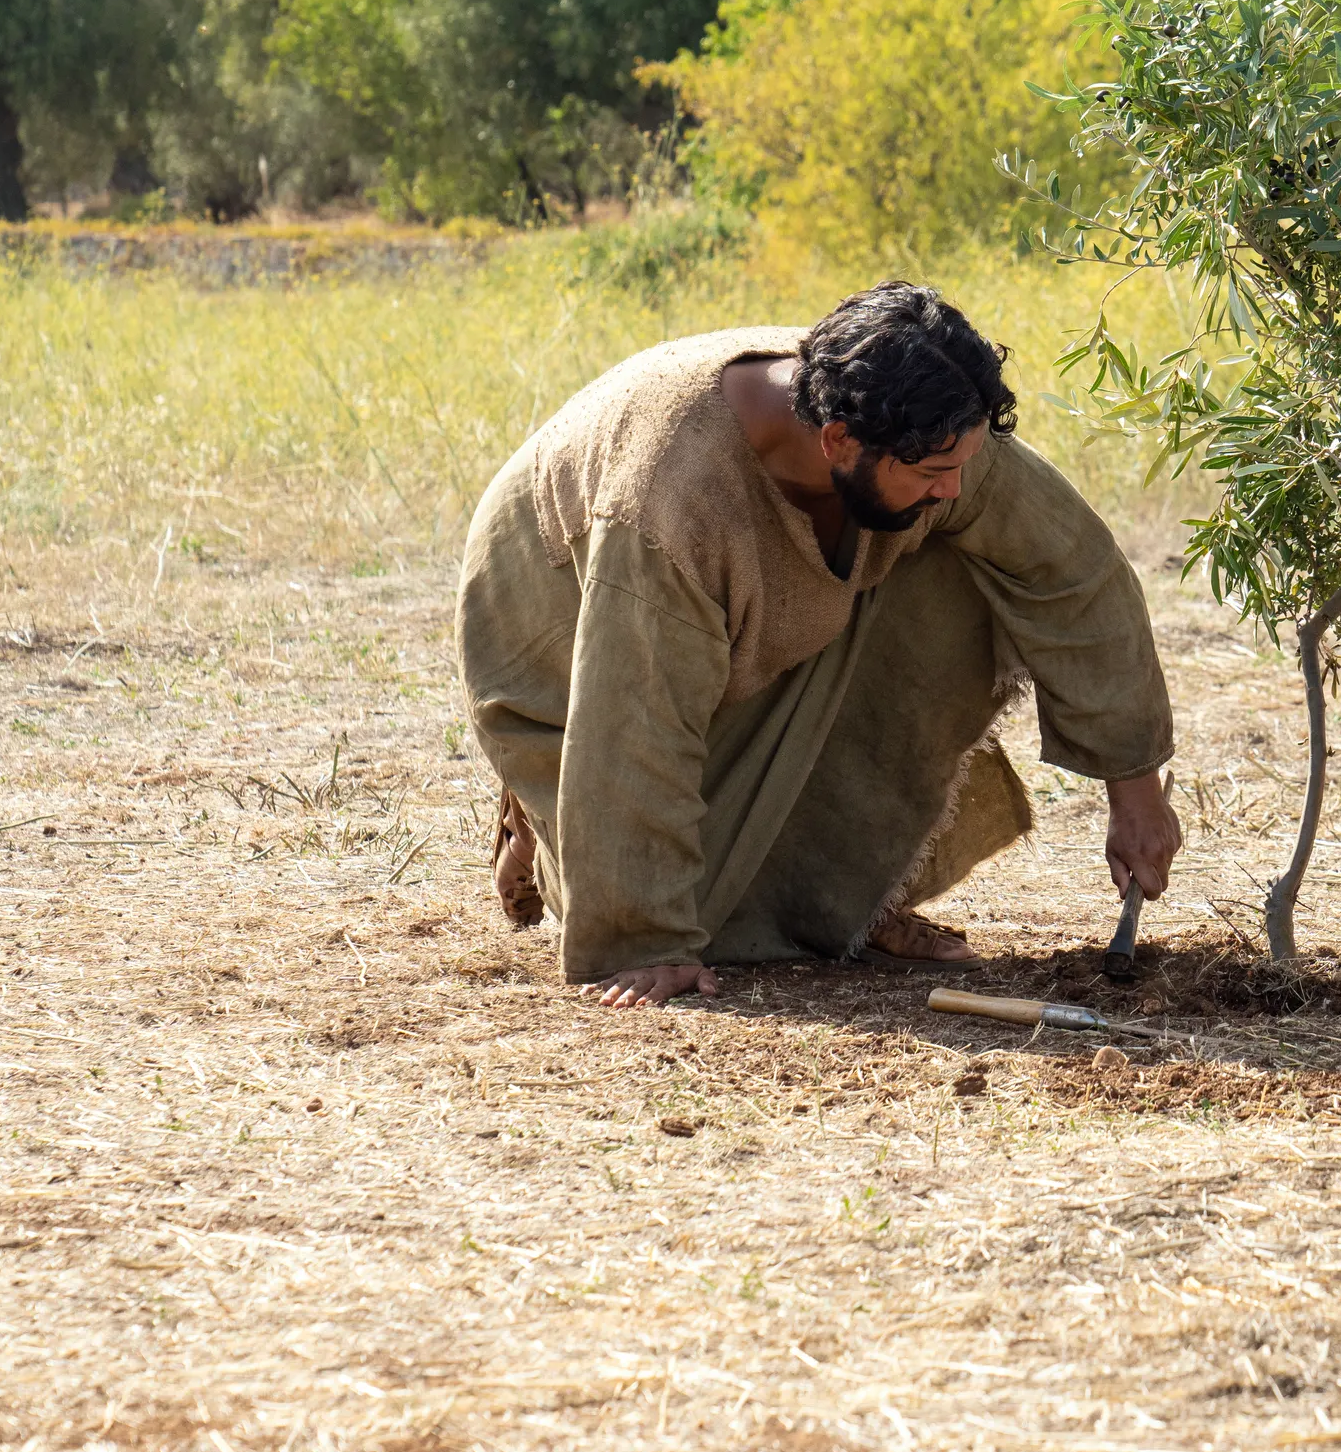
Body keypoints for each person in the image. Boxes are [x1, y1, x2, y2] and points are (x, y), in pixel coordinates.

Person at [457, 282, 1181, 1007]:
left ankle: (854, 895)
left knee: (971, 561)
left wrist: (1135, 788)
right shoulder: (668, 507)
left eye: (961, 466)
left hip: (757, 619)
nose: (955, 488)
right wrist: (642, 941)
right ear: (838, 442)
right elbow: (633, 727)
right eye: (934, 474)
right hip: (560, 643)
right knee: (704, 911)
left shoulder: (923, 427)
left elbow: (1071, 565)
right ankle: (545, 819)